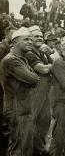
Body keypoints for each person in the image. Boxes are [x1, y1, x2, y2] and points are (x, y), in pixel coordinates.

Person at [0, 27, 40, 156]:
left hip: (23, 107)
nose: (30, 42)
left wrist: (33, 78)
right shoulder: (12, 60)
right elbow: (33, 79)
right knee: (19, 147)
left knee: (25, 146)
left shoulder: (22, 58)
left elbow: (34, 77)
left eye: (30, 39)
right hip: (17, 109)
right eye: (26, 39)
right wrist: (33, 78)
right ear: (15, 42)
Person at [24, 26, 53, 154]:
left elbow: (53, 63)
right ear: (30, 38)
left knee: (45, 119)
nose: (39, 38)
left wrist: (51, 64)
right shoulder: (29, 53)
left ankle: (39, 147)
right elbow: (44, 69)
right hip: (35, 92)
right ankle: (35, 149)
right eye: (36, 36)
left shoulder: (43, 53)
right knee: (33, 122)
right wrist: (53, 65)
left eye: (41, 36)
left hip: (45, 91)